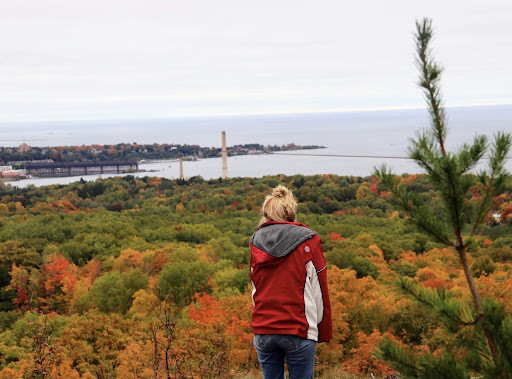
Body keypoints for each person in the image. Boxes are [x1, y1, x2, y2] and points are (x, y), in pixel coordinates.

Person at [249, 185, 332, 379]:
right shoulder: (309, 240)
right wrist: (320, 328)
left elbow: (255, 288)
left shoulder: (255, 241)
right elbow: (320, 287)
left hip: (263, 328)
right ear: (290, 212)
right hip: (298, 327)